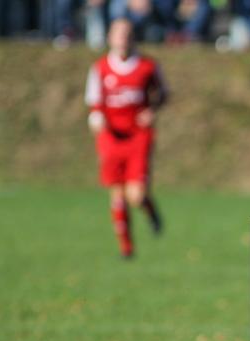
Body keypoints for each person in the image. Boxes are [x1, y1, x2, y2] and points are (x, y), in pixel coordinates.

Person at [85, 18, 168, 259]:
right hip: (111, 137)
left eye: (127, 34)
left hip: (138, 136)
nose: (122, 39)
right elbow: (94, 103)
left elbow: (163, 93)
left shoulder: (147, 66)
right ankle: (126, 248)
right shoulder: (100, 68)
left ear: (133, 38)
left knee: (136, 195)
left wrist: (151, 111)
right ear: (110, 37)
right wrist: (96, 118)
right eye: (118, 34)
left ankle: (150, 209)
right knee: (117, 193)